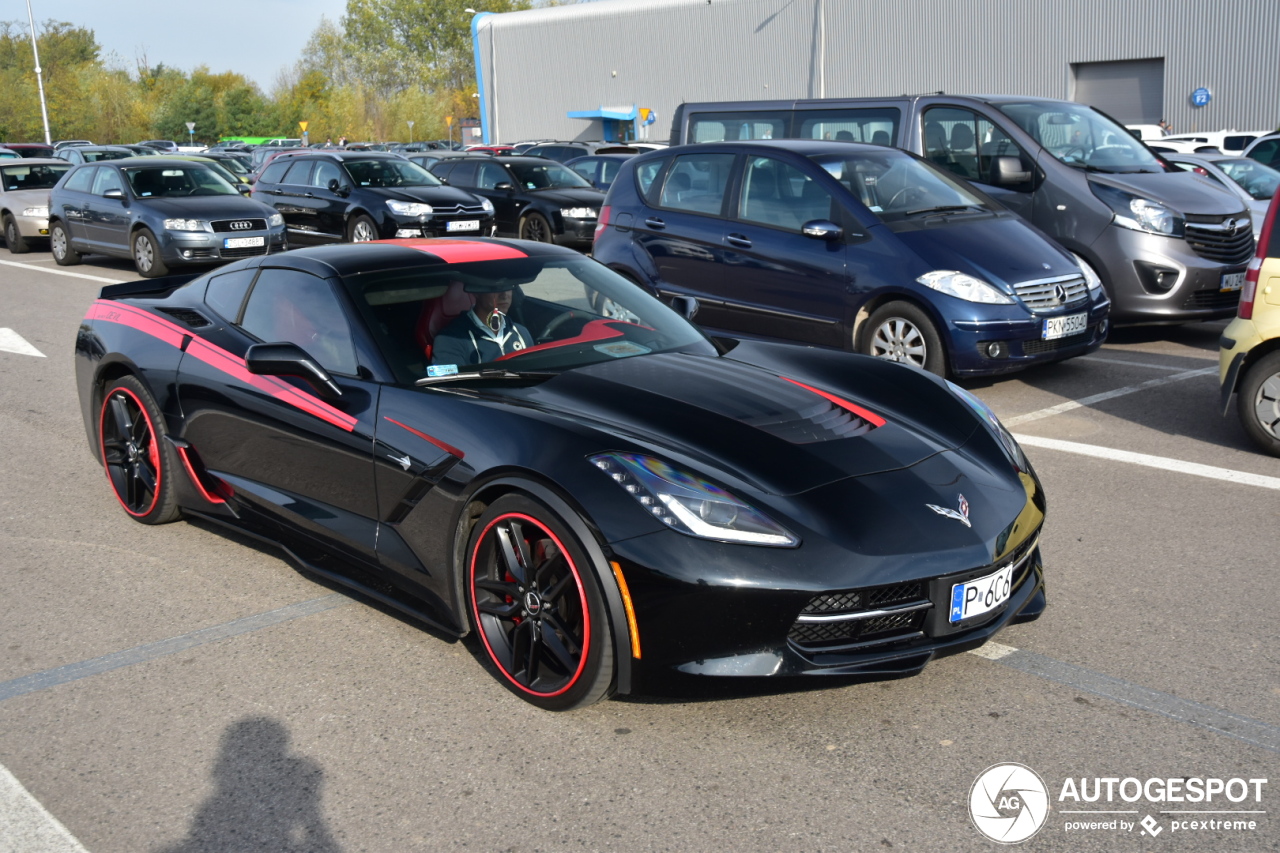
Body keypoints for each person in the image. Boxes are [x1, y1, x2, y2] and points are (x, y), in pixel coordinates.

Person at [431, 287, 532, 366]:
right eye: (495, 287)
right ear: (476, 292)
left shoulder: (521, 332)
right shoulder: (451, 338)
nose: (504, 295)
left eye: (509, 286)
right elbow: (450, 387)